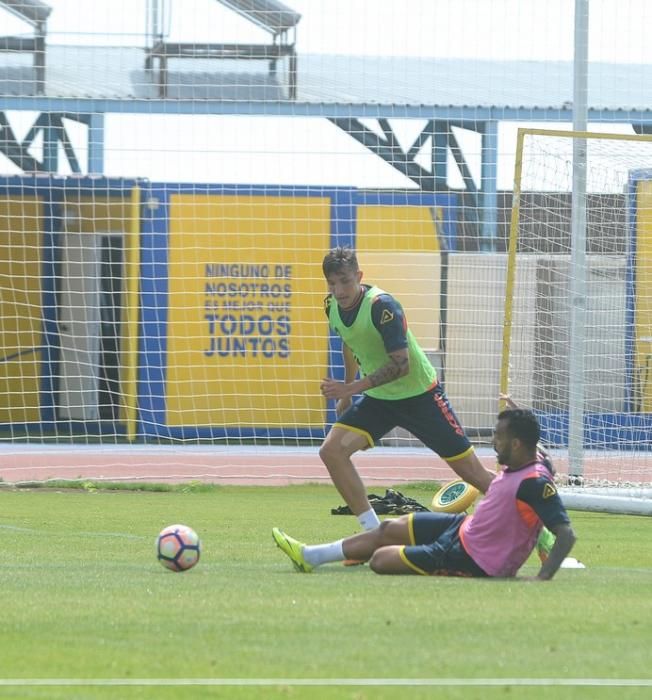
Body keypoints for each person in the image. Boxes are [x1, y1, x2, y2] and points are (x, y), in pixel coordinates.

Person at [273, 408, 577, 580]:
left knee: (380, 560)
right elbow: (537, 444)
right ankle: (310, 556)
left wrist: (541, 578)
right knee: (389, 528)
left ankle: (432, 561)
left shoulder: (535, 483)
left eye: (499, 436)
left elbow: (566, 534)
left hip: (472, 558)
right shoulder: (530, 456)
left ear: (517, 445)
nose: (493, 441)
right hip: (462, 528)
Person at [319, 246, 495, 533]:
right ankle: (373, 532)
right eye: (332, 283)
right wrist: (349, 394)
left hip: (421, 397)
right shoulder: (331, 307)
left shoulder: (382, 306)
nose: (339, 291)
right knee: (331, 452)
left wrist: (350, 387)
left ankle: (538, 530)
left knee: (473, 474)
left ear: (359, 277)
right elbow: (350, 343)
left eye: (345, 281)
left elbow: (401, 365)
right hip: (378, 400)